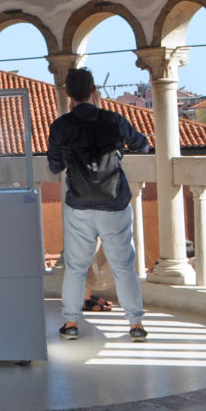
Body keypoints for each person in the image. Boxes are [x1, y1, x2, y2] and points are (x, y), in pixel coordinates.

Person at [47, 67, 150, 342]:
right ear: (94, 91)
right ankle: (135, 325)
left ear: (68, 93)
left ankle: (70, 323)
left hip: (78, 205)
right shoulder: (113, 120)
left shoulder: (60, 126)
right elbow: (143, 146)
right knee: (123, 266)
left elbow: (55, 165)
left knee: (76, 267)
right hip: (114, 203)